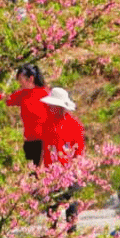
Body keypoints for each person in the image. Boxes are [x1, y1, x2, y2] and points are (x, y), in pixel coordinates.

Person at [40, 86, 85, 230]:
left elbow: (79, 150)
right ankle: (51, 233)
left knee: (70, 204)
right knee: (51, 204)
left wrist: (76, 169)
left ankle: (71, 233)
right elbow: (44, 147)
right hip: (51, 171)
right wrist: (40, 168)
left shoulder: (75, 125)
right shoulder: (47, 124)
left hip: (68, 170)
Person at [0, 64, 49, 165]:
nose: (19, 82)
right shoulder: (23, 94)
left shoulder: (46, 94)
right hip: (29, 139)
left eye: (21, 79)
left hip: (44, 140)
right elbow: (7, 99)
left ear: (31, 78)